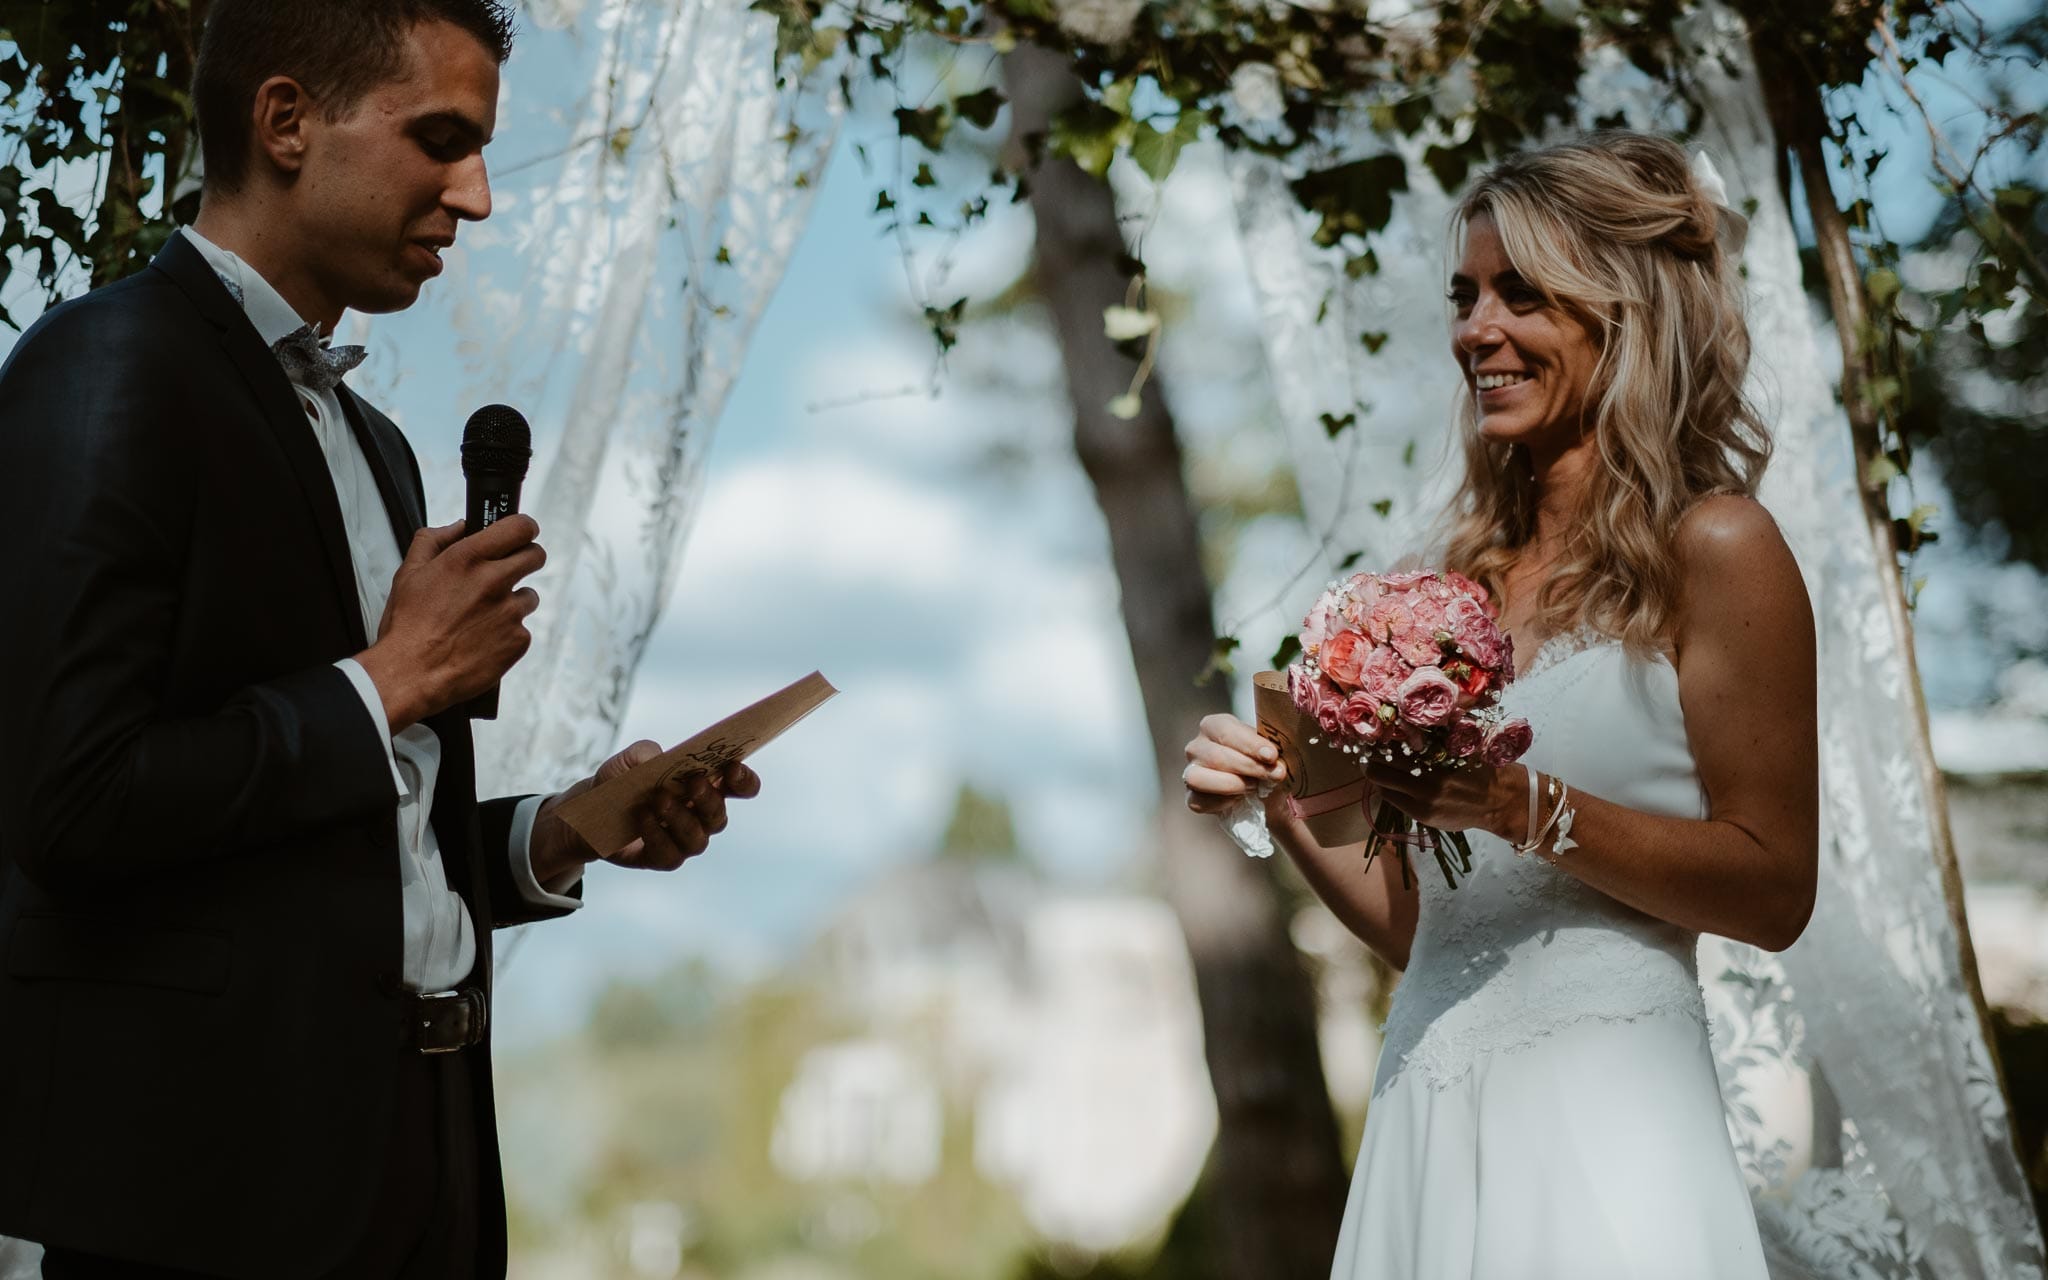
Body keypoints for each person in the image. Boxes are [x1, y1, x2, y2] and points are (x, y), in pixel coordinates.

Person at [0, 2, 757, 1275]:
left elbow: (355, 839)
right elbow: (68, 802)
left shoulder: (380, 447)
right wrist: (387, 680)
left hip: (421, 1163)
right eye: (440, 140)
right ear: (286, 121)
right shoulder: (106, 365)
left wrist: (562, 829)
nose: (476, 196)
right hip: (202, 1194)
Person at [1183, 131, 1819, 1278]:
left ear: (1618, 311)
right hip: (1427, 1107)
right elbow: (1432, 929)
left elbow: (1772, 886)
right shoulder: (1444, 591)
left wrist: (1523, 803)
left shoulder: (1716, 549)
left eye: (1519, 293)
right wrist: (1288, 799)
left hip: (1609, 1123)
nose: (1474, 330)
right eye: (1465, 295)